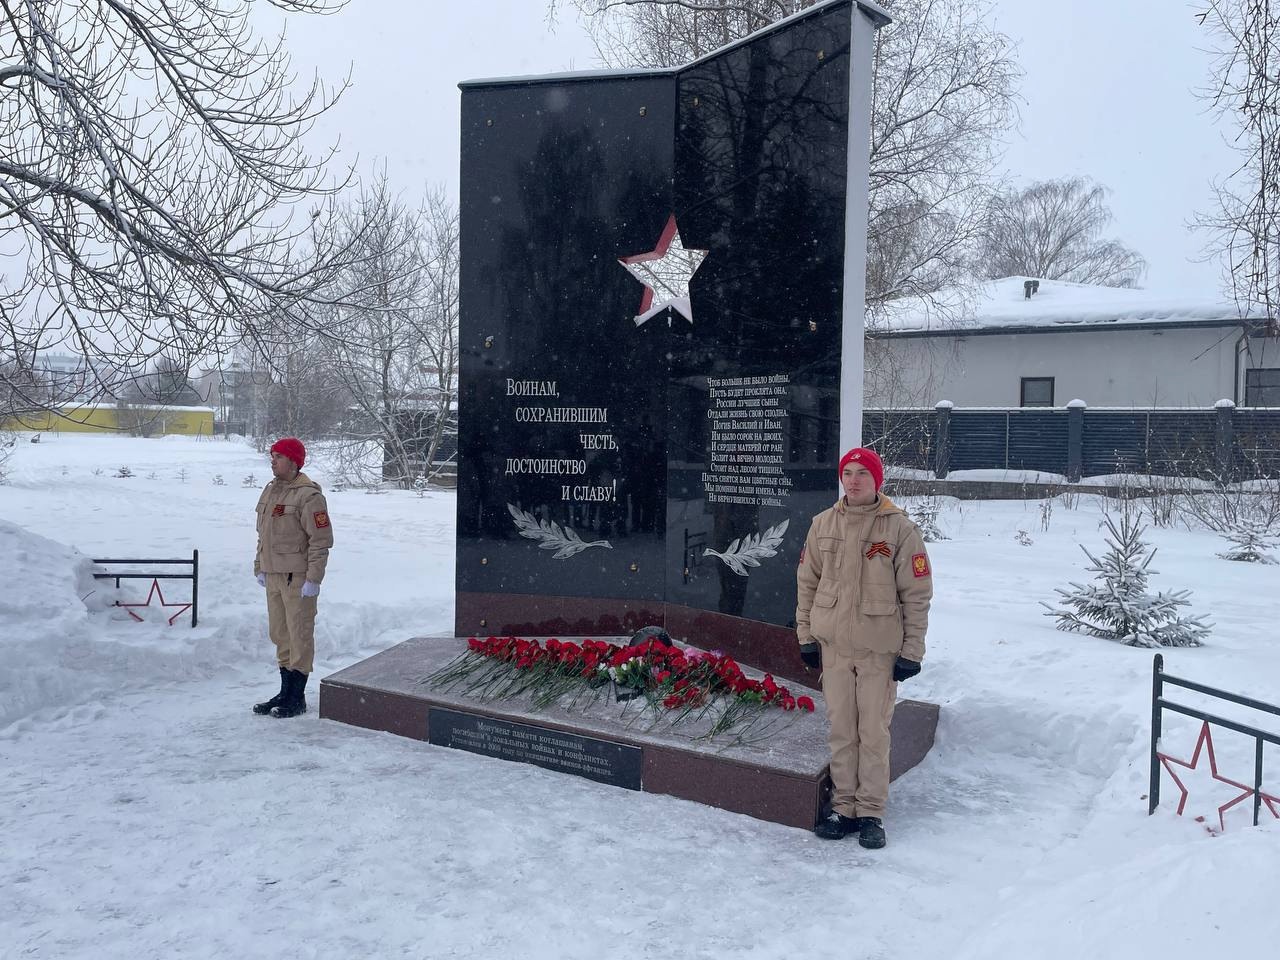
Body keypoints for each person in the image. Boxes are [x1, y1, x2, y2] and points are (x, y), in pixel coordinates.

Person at [795, 447, 932, 848]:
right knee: (841, 730)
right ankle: (843, 807)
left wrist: (912, 651)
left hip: (878, 650)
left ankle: (871, 811)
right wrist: (806, 637)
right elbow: (807, 584)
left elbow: (917, 594)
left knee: (872, 731)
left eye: (862, 474)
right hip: (835, 648)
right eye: (848, 473)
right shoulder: (822, 525)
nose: (853, 481)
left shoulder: (899, 530)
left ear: (877, 481)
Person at [252, 437, 334, 718]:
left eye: (278, 456)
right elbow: (263, 534)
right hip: (273, 576)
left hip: (297, 579)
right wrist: (259, 565)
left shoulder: (309, 496)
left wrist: (314, 579)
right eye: (272, 456)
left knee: (299, 636)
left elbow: (320, 540)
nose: (273, 461)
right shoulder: (271, 491)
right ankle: (285, 691)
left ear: (294, 461)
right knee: (280, 634)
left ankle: (296, 697)